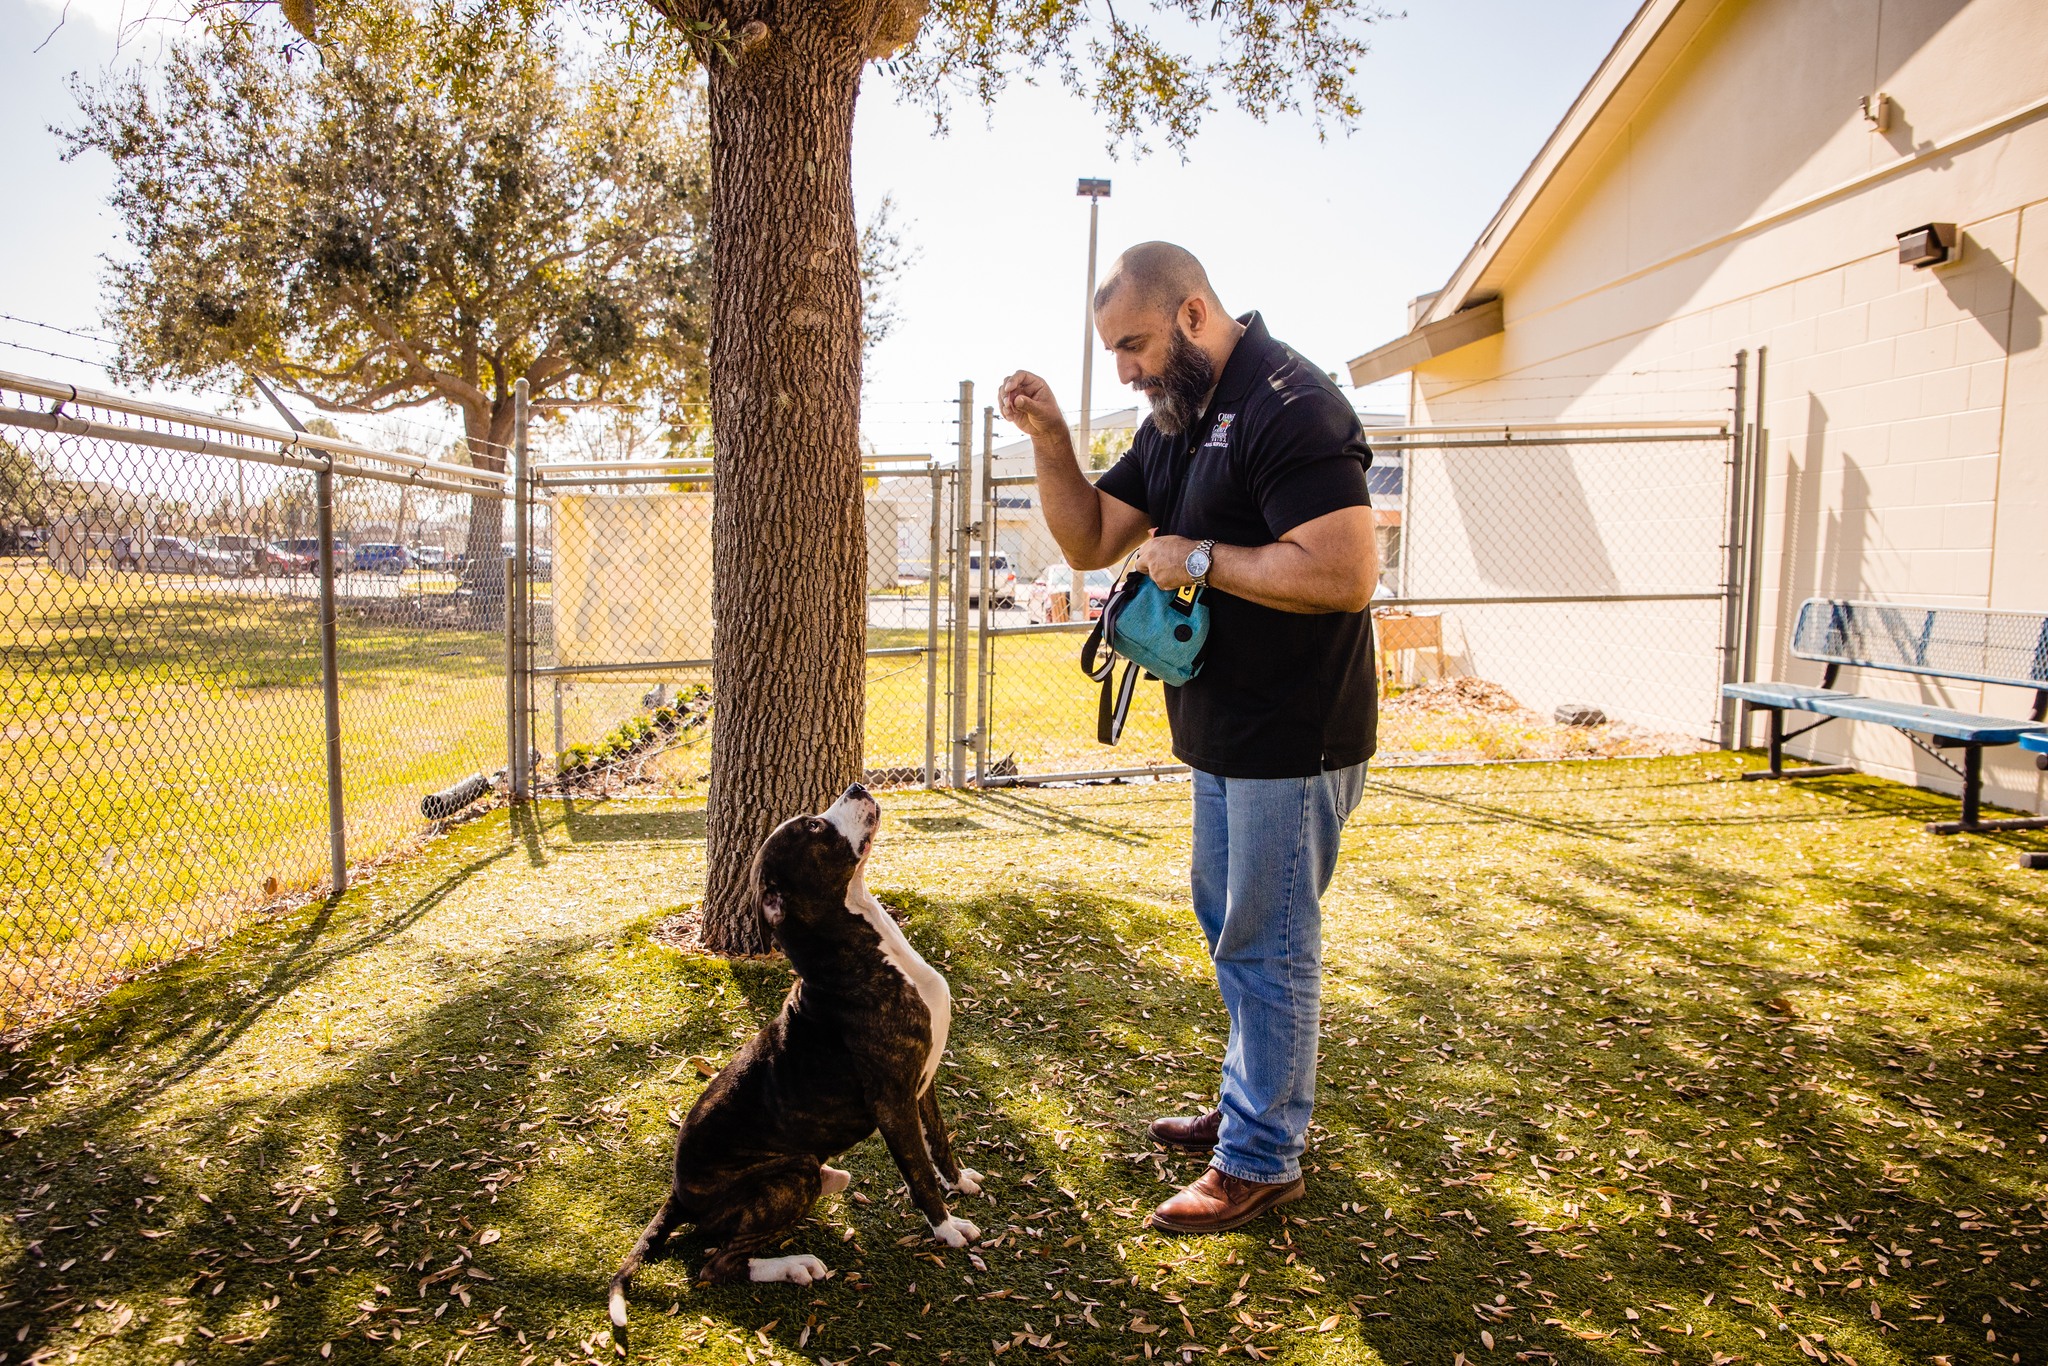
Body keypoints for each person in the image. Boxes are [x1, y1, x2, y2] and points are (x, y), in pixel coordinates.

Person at [999, 242, 1378, 1234]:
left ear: (1192, 314)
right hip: (1223, 728)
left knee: (1269, 941)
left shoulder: (1291, 404)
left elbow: (1342, 571)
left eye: (1133, 344)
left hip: (1292, 734)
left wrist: (1197, 557)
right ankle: (1257, 1097)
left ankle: (1258, 1156)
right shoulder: (1175, 417)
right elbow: (1088, 537)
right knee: (1236, 931)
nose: (1123, 368)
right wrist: (1047, 437)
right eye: (1111, 353)